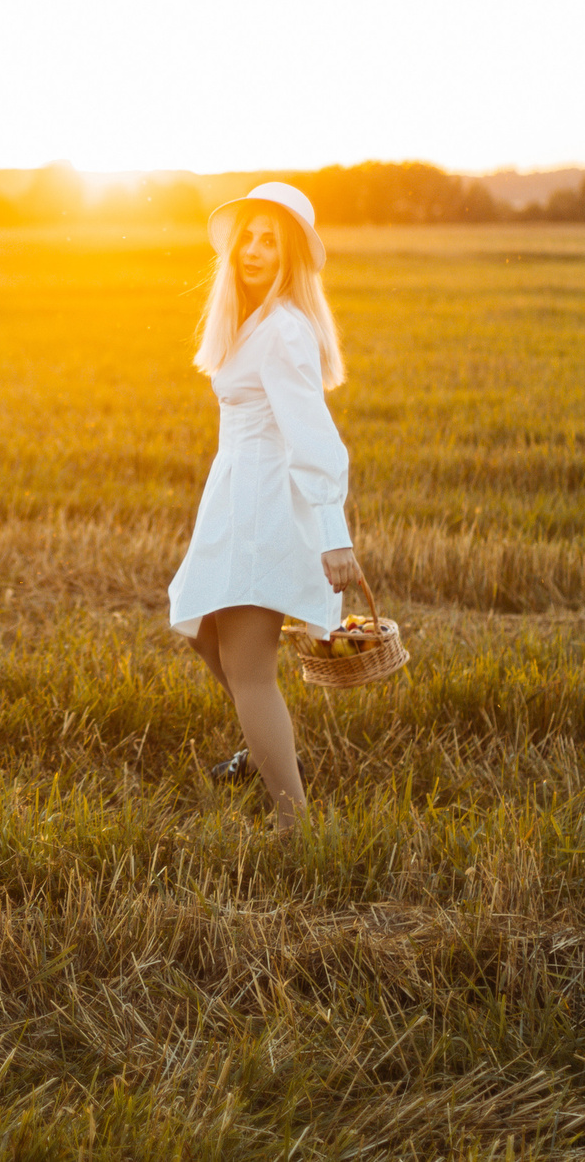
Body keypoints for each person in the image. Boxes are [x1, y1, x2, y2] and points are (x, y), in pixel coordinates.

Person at [166, 181, 364, 837]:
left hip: (261, 515)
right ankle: (264, 750)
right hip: (234, 503)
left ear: (291, 255)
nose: (253, 250)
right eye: (248, 236)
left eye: (269, 240)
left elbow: (312, 435)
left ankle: (292, 821)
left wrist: (333, 534)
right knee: (201, 629)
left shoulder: (283, 330)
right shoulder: (252, 321)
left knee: (250, 670)